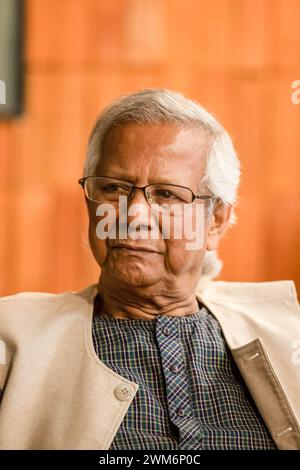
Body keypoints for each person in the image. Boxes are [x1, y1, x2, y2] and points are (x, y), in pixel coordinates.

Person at [0, 88, 299, 450]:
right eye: (113, 187)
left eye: (167, 194)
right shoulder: (13, 339)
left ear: (216, 220)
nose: (133, 215)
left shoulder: (287, 335)